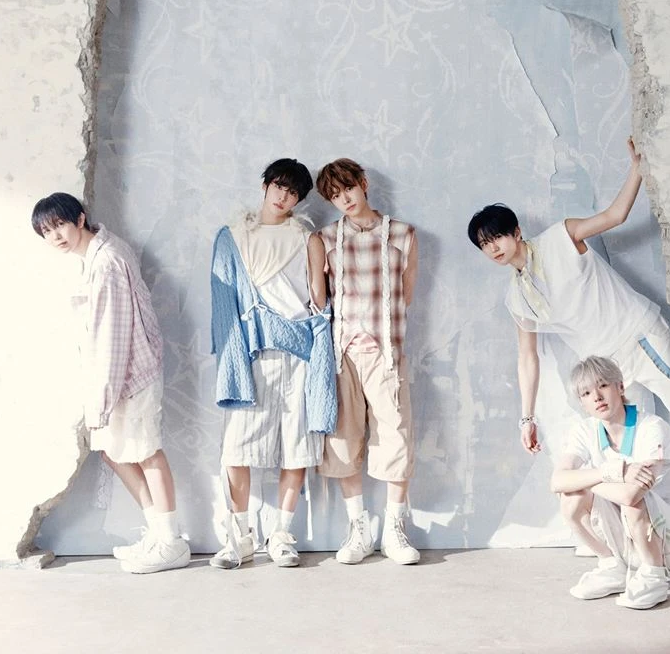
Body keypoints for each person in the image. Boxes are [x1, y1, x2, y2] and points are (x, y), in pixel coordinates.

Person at [467, 139, 670, 525]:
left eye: (496, 237)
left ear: (516, 231)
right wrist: (526, 418)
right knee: (630, 451)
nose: (492, 248)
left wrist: (637, 169)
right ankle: (662, 535)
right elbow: (527, 358)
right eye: (484, 244)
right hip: (608, 370)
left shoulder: (561, 237)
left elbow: (616, 215)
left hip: (640, 337)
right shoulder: (517, 298)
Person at [31, 192, 190, 574]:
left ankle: (170, 543)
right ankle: (159, 534)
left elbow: (112, 336)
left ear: (80, 218)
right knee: (115, 452)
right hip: (121, 374)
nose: (55, 236)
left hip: (130, 375)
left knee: (146, 452)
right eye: (46, 231)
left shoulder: (106, 262)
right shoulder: (97, 254)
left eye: (60, 225)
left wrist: (101, 400)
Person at [208, 158, 335, 569]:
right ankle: (240, 536)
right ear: (265, 185)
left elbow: (318, 302)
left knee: (297, 448)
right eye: (279, 186)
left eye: (293, 192)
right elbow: (223, 305)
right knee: (237, 448)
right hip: (253, 351)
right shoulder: (232, 237)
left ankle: (280, 534)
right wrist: (232, 356)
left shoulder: (307, 238)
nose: (284, 197)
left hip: (299, 351)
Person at [315, 158, 421, 565]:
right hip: (342, 354)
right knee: (343, 439)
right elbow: (320, 298)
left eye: (348, 188)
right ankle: (358, 528)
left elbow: (406, 295)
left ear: (363, 184)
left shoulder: (403, 234)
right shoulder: (325, 238)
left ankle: (394, 529)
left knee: (396, 435)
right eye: (335, 195)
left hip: (387, 351)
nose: (344, 199)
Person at [551, 356, 670, 609]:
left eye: (602, 385)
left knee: (632, 500)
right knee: (571, 497)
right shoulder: (585, 430)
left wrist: (585, 479)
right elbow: (557, 480)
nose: (597, 397)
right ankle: (612, 565)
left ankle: (653, 575)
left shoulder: (651, 427)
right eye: (586, 393)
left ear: (620, 387)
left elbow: (631, 495)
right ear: (582, 402)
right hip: (627, 533)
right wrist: (613, 471)